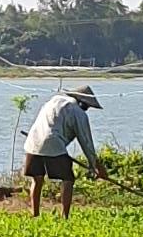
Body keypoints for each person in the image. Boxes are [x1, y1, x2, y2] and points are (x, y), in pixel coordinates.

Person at [21, 84, 102, 217]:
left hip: (33, 142)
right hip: (54, 144)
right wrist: (96, 166)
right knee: (68, 179)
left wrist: (95, 166)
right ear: (82, 103)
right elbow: (86, 142)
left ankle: (34, 214)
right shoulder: (78, 112)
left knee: (37, 179)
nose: (87, 109)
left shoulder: (53, 101)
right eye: (87, 106)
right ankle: (65, 216)